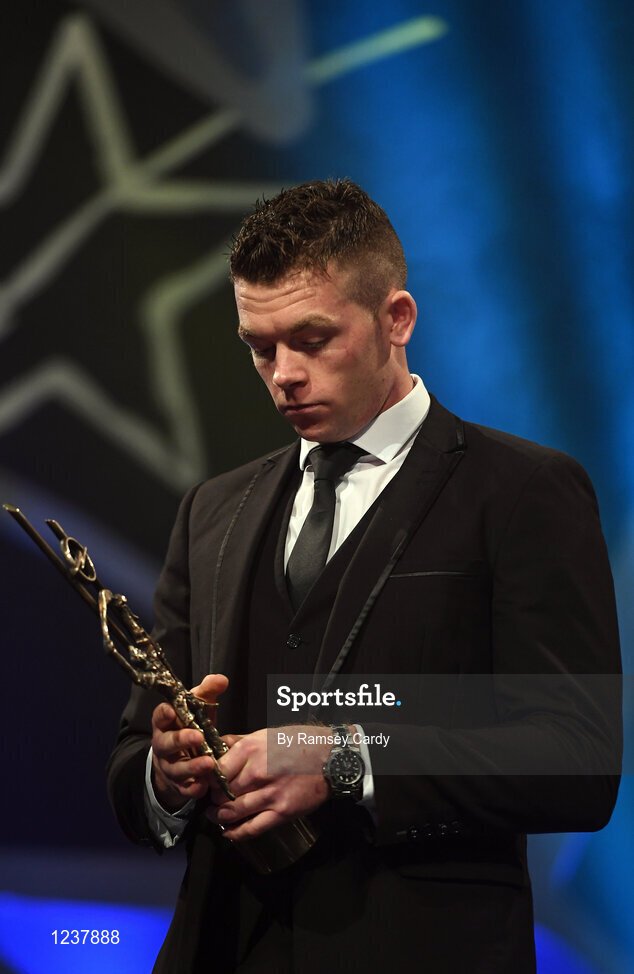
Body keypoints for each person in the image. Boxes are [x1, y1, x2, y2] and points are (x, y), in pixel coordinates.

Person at [107, 179, 621, 974]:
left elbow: (577, 756)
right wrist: (164, 775)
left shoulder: (523, 490)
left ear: (397, 319)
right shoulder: (210, 511)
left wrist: (344, 755)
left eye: (311, 339)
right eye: (259, 346)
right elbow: (135, 759)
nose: (283, 374)